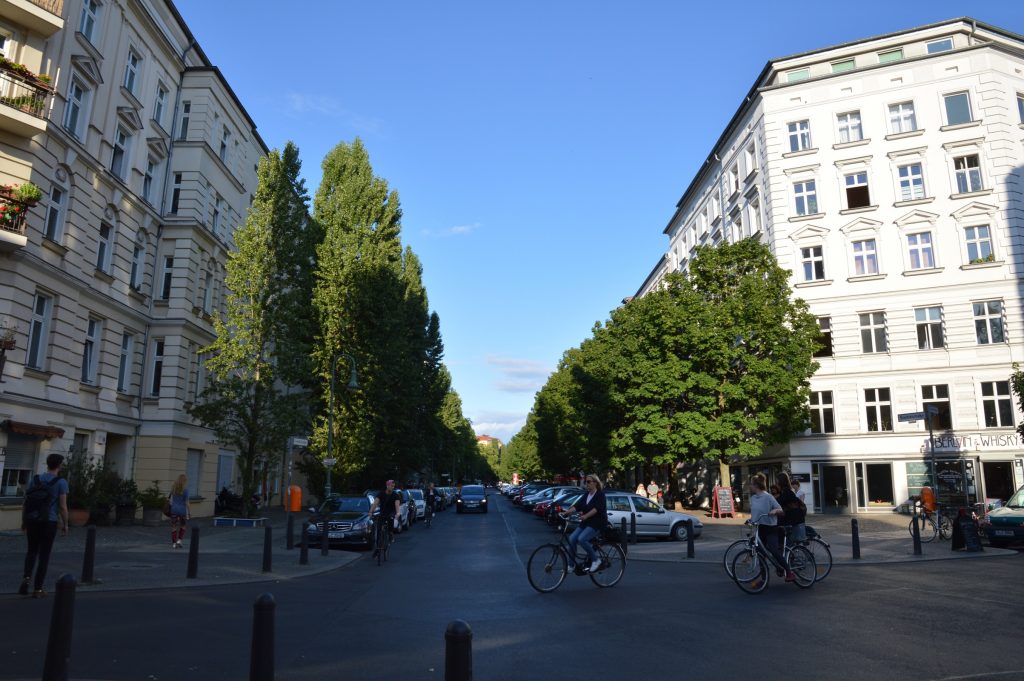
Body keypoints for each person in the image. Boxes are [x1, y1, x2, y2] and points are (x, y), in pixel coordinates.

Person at [20, 453, 69, 598]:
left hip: (32, 520)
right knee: (44, 555)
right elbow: (62, 507)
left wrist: (24, 521)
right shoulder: (61, 482)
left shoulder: (35, 479)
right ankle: (38, 589)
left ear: (47, 464)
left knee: (31, 551)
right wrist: (65, 524)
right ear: (59, 465)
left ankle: (26, 579)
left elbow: (26, 503)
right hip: (49, 521)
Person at [748, 474, 796, 583]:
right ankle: (764, 580)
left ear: (756, 485)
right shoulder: (753, 498)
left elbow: (781, 510)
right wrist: (751, 520)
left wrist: (775, 511)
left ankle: (789, 572)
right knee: (760, 553)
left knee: (774, 549)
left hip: (770, 528)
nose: (750, 486)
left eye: (751, 484)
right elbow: (755, 512)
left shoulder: (768, 497)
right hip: (759, 528)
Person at [566, 474, 608, 574]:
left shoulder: (600, 495)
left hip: (597, 523)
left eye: (589, 482)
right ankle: (571, 565)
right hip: (586, 523)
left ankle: (596, 560)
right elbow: (577, 506)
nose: (587, 484)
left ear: (595, 483)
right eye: (586, 482)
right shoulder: (586, 495)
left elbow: (596, 509)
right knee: (572, 539)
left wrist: (586, 516)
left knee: (582, 539)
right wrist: (567, 512)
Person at [368, 479, 402, 556]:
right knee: (379, 531)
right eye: (391, 486)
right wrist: (370, 512)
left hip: (391, 513)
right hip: (382, 513)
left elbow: (397, 505)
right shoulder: (381, 494)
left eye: (393, 486)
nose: (392, 487)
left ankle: (390, 534)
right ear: (387, 486)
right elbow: (375, 503)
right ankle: (377, 548)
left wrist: (398, 513)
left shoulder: (395, 495)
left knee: (390, 521)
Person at [776, 472, 806, 543]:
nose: (776, 483)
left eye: (777, 481)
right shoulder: (786, 492)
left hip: (792, 520)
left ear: (781, 482)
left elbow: (778, 504)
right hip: (792, 519)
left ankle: (787, 552)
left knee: (786, 542)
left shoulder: (786, 492)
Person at [168, 474, 191, 549]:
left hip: (174, 510)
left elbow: (170, 499)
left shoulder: (173, 488)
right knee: (183, 526)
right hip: (182, 511)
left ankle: (174, 543)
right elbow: (187, 502)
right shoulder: (186, 490)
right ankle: (179, 540)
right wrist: (189, 512)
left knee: (174, 526)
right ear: (185, 481)